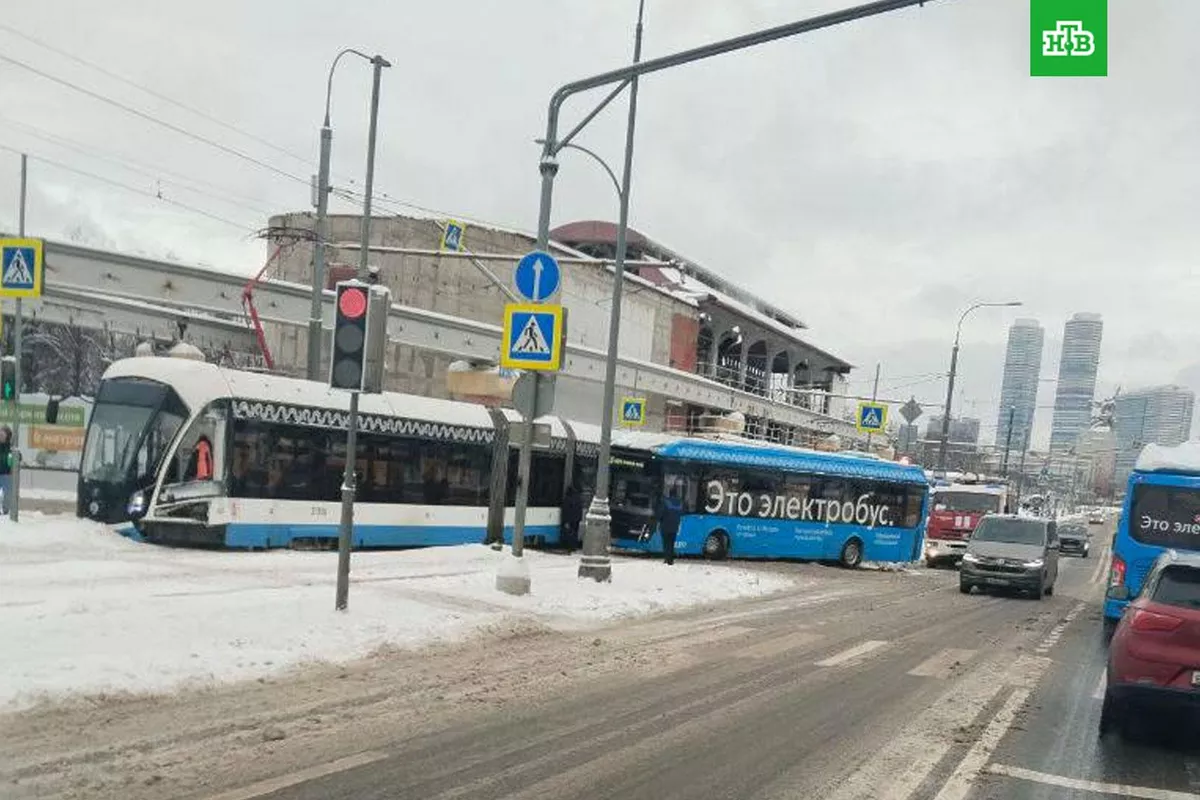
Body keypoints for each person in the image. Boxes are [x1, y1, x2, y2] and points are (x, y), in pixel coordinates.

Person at [655, 484, 684, 565]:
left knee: (666, 543)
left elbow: (661, 513)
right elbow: (682, 513)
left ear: (670, 493)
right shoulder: (680, 503)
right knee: (671, 543)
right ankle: (671, 560)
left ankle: (666, 559)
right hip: (675, 526)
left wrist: (658, 519)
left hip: (665, 526)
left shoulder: (666, 502)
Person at [561, 484, 583, 552]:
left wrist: (565, 521)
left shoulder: (567, 499)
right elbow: (580, 510)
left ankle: (569, 546)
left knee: (569, 533)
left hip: (569, 520)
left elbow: (566, 511)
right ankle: (574, 546)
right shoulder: (578, 498)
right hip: (577, 520)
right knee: (575, 533)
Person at [0, 426, 11, 516]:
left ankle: (6, 510)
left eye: (2, 434)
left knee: (7, 493)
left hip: (6, 474)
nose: (1, 436)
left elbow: (18, 456)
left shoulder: (10, 447)